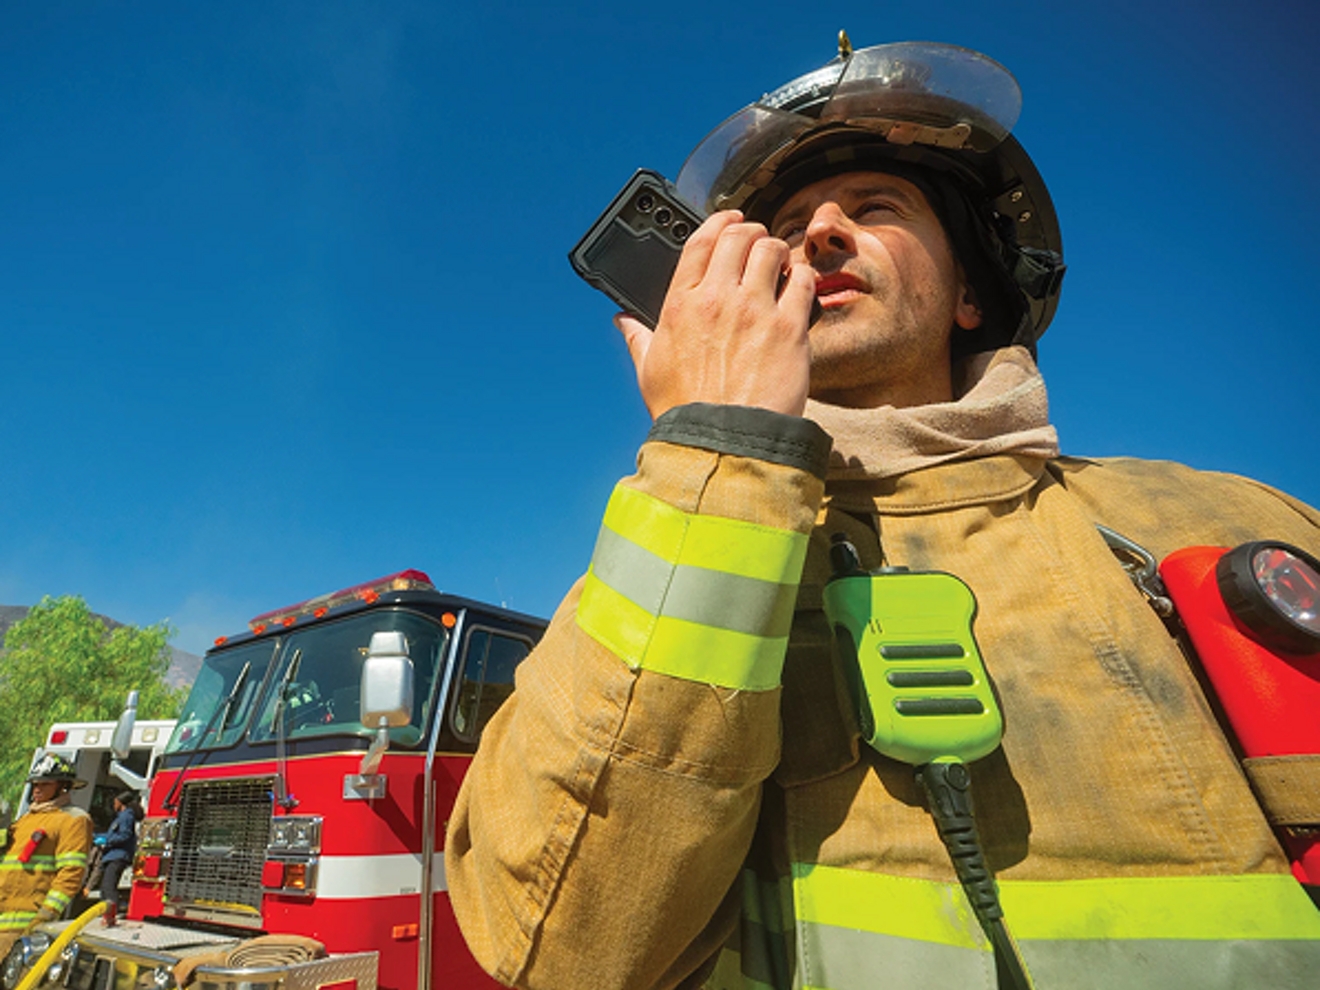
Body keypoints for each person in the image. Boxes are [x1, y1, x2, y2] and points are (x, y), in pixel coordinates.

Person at [445, 37, 1320, 990]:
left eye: (875, 208)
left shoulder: (1222, 514)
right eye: (781, 231)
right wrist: (719, 446)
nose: (815, 234)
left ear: (972, 297)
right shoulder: (675, 538)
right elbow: (562, 951)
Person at [0, 756, 93, 956]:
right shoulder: (26, 819)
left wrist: (46, 914)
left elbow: (71, 873)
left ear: (63, 786)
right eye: (35, 783)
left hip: (22, 924)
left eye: (44, 784)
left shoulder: (73, 819)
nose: (37, 789)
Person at [97, 790, 142, 926]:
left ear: (120, 802)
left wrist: (107, 841)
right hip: (112, 855)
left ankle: (111, 916)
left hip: (117, 856)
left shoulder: (126, 817)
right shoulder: (121, 817)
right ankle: (106, 914)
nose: (113, 804)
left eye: (115, 801)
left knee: (109, 887)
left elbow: (124, 835)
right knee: (105, 887)